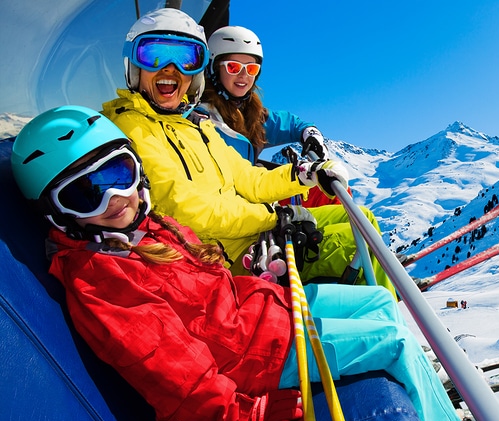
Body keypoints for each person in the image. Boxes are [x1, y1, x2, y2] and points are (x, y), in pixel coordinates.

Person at [10, 105, 470, 421]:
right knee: (393, 340)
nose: (114, 197)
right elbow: (169, 367)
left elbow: (213, 284)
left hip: (263, 317)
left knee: (381, 305)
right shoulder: (102, 277)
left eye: (119, 172)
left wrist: (262, 272)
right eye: (85, 194)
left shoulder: (149, 230)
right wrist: (240, 415)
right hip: (260, 359)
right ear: (60, 216)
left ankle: (431, 401)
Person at [100, 8, 394, 297]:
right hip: (227, 253)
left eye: (186, 59)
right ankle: (385, 311)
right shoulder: (131, 129)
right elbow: (183, 208)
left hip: (251, 231)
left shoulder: (194, 127)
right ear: (134, 66)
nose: (170, 69)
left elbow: (248, 179)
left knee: (361, 217)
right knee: (360, 241)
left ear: (196, 73)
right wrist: (274, 217)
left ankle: (368, 294)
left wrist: (305, 175)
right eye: (154, 55)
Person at [198, 25, 340, 208]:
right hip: (231, 205)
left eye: (251, 69)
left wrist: (311, 134)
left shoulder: (252, 113)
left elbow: (292, 123)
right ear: (214, 69)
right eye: (233, 67)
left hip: (257, 194)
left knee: (329, 189)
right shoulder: (202, 117)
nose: (243, 76)